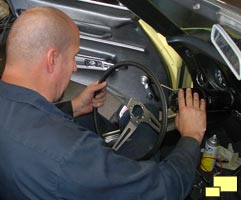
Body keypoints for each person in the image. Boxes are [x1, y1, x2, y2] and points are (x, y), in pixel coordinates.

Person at [0, 6, 206, 200]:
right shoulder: (70, 152)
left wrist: (74, 107)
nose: (74, 68)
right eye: (74, 57)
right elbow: (162, 190)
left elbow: (24, 118)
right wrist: (191, 137)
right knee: (148, 137)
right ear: (52, 59)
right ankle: (222, 185)